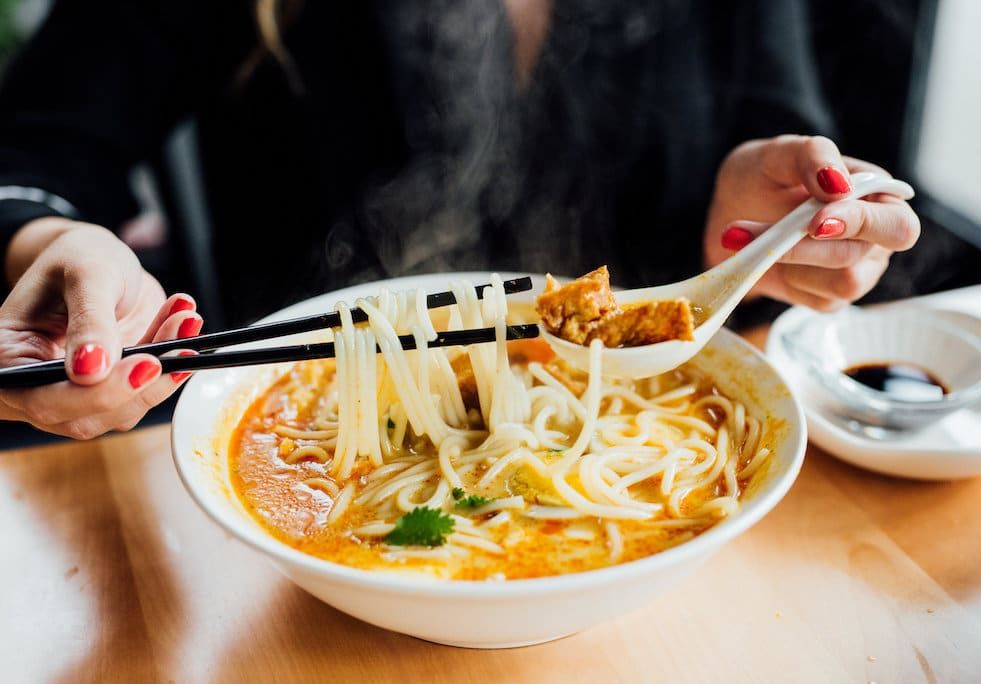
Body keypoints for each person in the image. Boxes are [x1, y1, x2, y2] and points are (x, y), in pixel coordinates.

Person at [0, 0, 920, 439]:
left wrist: (771, 227)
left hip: (662, 431)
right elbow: (31, 153)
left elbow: (782, 141)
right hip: (296, 442)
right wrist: (55, 242)